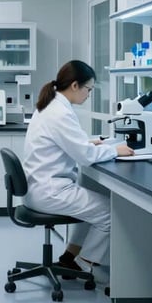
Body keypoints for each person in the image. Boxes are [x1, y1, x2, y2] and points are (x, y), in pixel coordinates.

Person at [22, 60, 134, 274]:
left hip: (38, 187)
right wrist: (115, 150)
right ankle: (83, 264)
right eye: (88, 89)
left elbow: (66, 143)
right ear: (75, 86)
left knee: (92, 205)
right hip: (49, 191)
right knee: (110, 213)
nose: (89, 95)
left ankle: (69, 256)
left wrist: (87, 143)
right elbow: (85, 156)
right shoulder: (60, 112)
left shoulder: (50, 105)